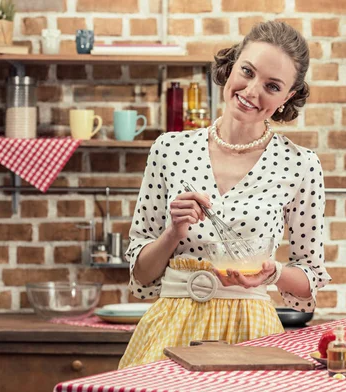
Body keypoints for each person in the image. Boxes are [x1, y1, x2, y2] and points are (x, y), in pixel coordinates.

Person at [118, 21, 331, 369]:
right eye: (247, 71)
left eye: (272, 86)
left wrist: (273, 272)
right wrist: (173, 233)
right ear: (232, 66)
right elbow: (141, 276)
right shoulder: (169, 149)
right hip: (169, 330)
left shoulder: (301, 165)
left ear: (287, 98)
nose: (251, 91)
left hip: (253, 335)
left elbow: (308, 280)